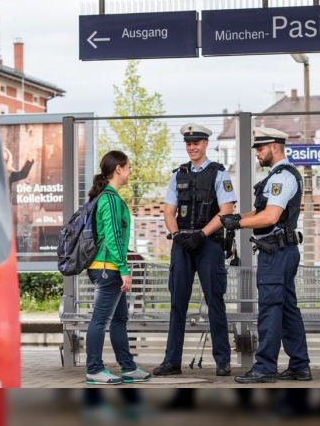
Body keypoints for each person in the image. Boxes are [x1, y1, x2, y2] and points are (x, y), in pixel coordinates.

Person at [220, 126, 312, 384]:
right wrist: (237, 217)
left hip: (276, 252)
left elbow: (270, 217)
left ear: (274, 147)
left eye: (260, 148)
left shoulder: (282, 178)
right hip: (282, 250)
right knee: (287, 310)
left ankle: (265, 368)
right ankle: (299, 366)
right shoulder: (279, 176)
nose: (257, 153)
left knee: (271, 310)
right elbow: (263, 212)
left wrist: (238, 224)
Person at [153, 123, 237, 377]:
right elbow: (169, 211)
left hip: (209, 244)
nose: (192, 147)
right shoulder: (178, 174)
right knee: (177, 304)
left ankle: (222, 361)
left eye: (196, 143)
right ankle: (172, 362)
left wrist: (201, 234)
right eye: (188, 144)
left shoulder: (219, 173)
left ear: (205, 144)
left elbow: (227, 211)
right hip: (182, 245)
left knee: (215, 301)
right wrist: (177, 236)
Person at [84, 150, 151, 385]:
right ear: (118, 169)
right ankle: (94, 369)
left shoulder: (108, 197)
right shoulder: (110, 199)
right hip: (107, 268)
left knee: (120, 319)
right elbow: (112, 238)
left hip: (108, 266)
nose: (131, 171)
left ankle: (128, 368)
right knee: (100, 320)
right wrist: (123, 269)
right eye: (129, 167)